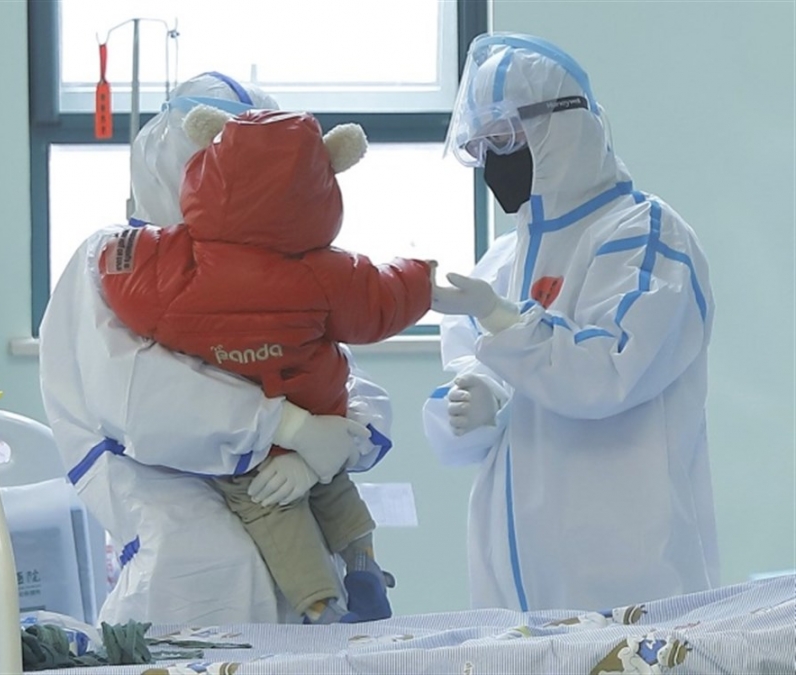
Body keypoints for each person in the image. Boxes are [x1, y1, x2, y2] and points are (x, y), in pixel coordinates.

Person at [39, 72, 395, 626]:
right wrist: (288, 427)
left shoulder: (283, 262)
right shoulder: (116, 259)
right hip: (188, 567)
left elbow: (332, 369)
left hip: (301, 560)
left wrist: (331, 443)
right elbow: (143, 403)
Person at [424, 33, 719, 612]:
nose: (494, 160)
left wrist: (500, 319)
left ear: (563, 126)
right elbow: (466, 406)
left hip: (630, 578)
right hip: (511, 587)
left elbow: (606, 372)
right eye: (482, 145)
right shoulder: (503, 260)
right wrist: (475, 401)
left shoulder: (644, 233)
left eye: (506, 137)